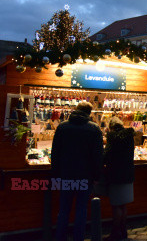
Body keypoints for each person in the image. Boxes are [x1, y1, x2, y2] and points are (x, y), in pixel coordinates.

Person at [51, 102, 104, 241]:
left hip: (66, 174)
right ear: (89, 112)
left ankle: (60, 237)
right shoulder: (94, 129)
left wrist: (55, 174)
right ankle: (78, 238)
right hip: (85, 176)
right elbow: (98, 155)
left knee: (64, 209)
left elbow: (55, 152)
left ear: (76, 110)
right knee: (81, 210)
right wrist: (97, 175)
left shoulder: (62, 127)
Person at [103, 117, 135, 241]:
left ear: (111, 127)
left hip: (115, 173)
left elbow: (107, 155)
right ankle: (123, 231)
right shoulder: (129, 136)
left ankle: (116, 233)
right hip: (127, 172)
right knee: (123, 205)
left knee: (116, 205)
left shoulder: (112, 137)